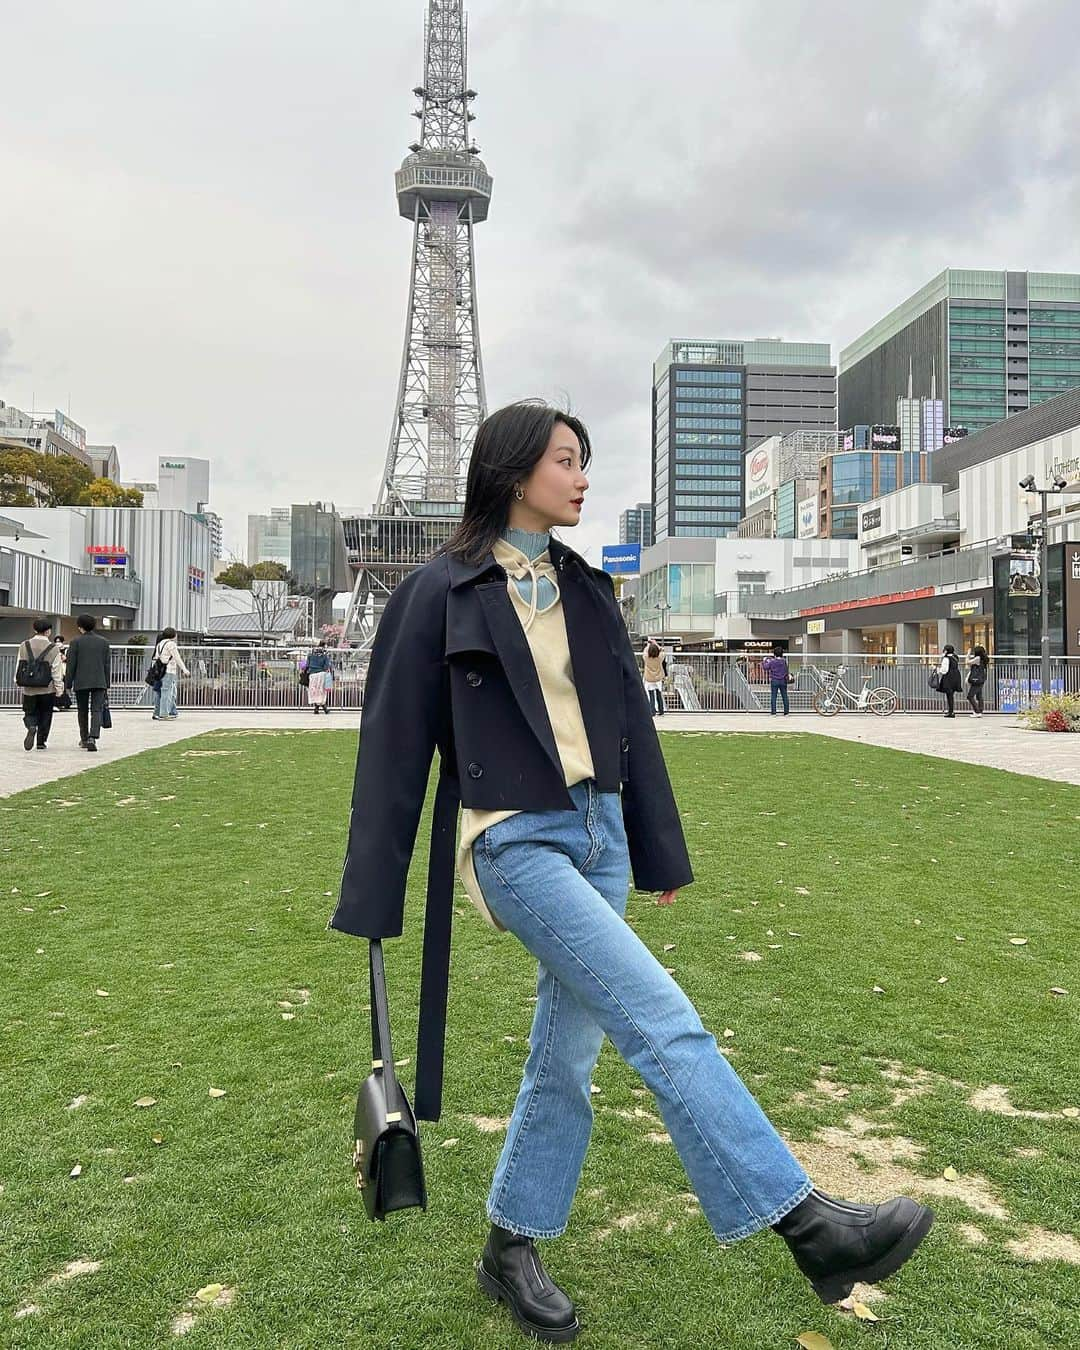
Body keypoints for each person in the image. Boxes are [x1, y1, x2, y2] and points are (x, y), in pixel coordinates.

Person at [327, 399, 933, 1342]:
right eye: (566, 460)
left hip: (598, 832)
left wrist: (656, 848)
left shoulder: (585, 587)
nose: (581, 477)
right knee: (662, 1022)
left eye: (584, 460)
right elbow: (393, 748)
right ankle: (807, 1222)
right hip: (513, 840)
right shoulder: (436, 591)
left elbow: (630, 729)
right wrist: (372, 898)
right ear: (514, 470)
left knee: (565, 1056)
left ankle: (509, 1244)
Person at [15, 618, 65, 751]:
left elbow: (20, 664)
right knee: (46, 714)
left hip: (28, 687)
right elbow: (56, 670)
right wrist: (59, 688)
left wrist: (17, 680)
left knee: (29, 712)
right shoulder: (54, 649)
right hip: (46, 688)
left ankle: (31, 726)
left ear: (35, 629)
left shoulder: (24, 645)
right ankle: (41, 742)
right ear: (48, 631)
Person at [65, 614, 111, 751]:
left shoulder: (75, 642)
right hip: (99, 680)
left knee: (82, 710)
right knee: (97, 709)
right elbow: (107, 665)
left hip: (81, 681)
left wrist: (68, 683)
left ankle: (84, 738)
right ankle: (93, 736)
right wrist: (107, 683)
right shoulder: (104, 642)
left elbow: (71, 665)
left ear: (80, 627)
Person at [151, 627, 189, 720]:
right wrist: (184, 669)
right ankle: (164, 714)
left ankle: (157, 712)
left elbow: (156, 657)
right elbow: (177, 658)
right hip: (168, 670)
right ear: (173, 635)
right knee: (166, 692)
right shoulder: (171, 644)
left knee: (159, 691)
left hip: (159, 670)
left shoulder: (160, 644)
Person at [304, 639, 333, 714]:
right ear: (324, 646)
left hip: (312, 674)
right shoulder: (325, 655)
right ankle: (324, 708)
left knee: (314, 691)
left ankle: (317, 708)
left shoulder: (311, 654)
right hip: (321, 674)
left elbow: (307, 665)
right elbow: (326, 666)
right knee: (321, 691)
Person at [762, 643, 791, 716]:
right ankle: (786, 712)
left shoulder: (772, 661)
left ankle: (774, 712)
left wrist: (764, 660)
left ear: (774, 654)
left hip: (774, 680)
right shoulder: (784, 661)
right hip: (783, 680)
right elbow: (786, 670)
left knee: (773, 697)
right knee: (784, 696)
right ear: (782, 654)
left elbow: (765, 667)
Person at [936, 643, 963, 718]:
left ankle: (951, 712)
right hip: (956, 676)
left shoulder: (946, 659)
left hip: (949, 677)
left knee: (949, 695)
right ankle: (951, 711)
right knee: (951, 694)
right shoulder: (955, 657)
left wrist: (938, 670)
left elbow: (944, 670)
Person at [641, 639, 667, 716]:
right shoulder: (660, 658)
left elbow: (645, 651)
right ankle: (661, 710)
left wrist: (649, 645)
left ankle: (652, 712)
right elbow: (663, 650)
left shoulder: (646, 658)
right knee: (659, 694)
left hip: (649, 678)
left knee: (651, 695)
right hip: (658, 678)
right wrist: (656, 644)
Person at [966, 644, 989, 717]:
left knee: (970, 696)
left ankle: (977, 711)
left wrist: (968, 654)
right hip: (981, 679)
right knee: (979, 696)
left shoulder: (978, 658)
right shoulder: (984, 658)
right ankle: (980, 710)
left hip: (976, 680)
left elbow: (968, 662)